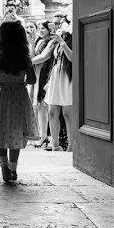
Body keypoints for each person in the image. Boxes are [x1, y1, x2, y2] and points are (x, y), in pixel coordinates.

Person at [0, 20, 39, 182]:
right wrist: (19, 80)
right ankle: (13, 170)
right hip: (19, 96)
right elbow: (32, 80)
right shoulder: (25, 58)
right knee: (16, 132)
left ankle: (4, 168)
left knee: (1, 131)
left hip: (2, 96)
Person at [45, 20, 74, 151]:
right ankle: (55, 146)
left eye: (61, 24)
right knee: (52, 111)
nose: (59, 26)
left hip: (68, 77)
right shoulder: (56, 41)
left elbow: (73, 58)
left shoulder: (72, 39)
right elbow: (44, 56)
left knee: (68, 113)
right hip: (56, 77)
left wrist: (62, 43)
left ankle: (72, 146)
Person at [30, 20, 55, 148]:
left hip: (47, 73)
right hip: (38, 74)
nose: (41, 30)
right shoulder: (39, 41)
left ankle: (45, 136)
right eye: (39, 28)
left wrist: (28, 62)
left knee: (44, 106)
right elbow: (33, 54)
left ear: (49, 29)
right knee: (39, 106)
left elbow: (44, 57)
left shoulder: (52, 41)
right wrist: (31, 41)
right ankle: (41, 135)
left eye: (43, 28)